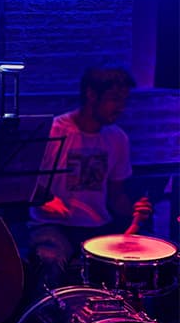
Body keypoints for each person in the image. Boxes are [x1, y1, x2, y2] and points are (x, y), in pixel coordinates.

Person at [27, 65, 152, 296]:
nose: (121, 107)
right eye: (114, 99)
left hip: (96, 227)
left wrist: (136, 210)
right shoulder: (53, 131)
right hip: (51, 225)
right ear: (91, 94)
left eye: (124, 100)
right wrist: (45, 200)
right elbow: (23, 183)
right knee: (50, 259)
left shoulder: (117, 139)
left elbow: (116, 196)